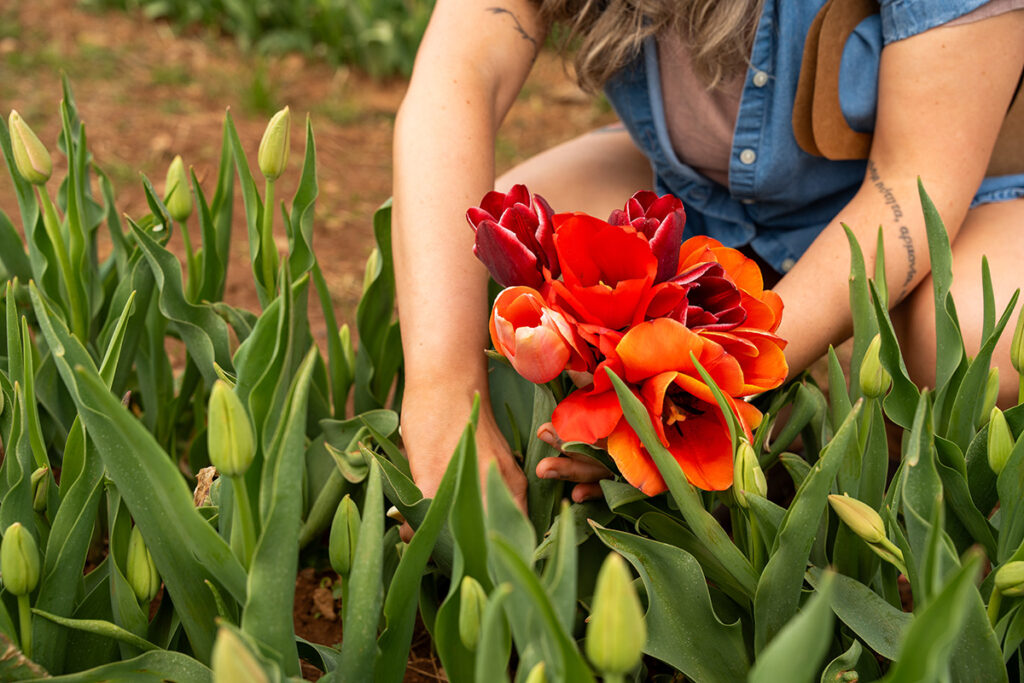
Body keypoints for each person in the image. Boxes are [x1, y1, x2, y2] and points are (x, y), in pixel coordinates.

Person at [391, 0, 1024, 513]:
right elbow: (459, 78)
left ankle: (845, 442)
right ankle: (795, 401)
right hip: (703, 189)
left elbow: (914, 188)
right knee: (475, 279)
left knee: (969, 345)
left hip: (954, 197)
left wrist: (689, 388)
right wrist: (442, 388)